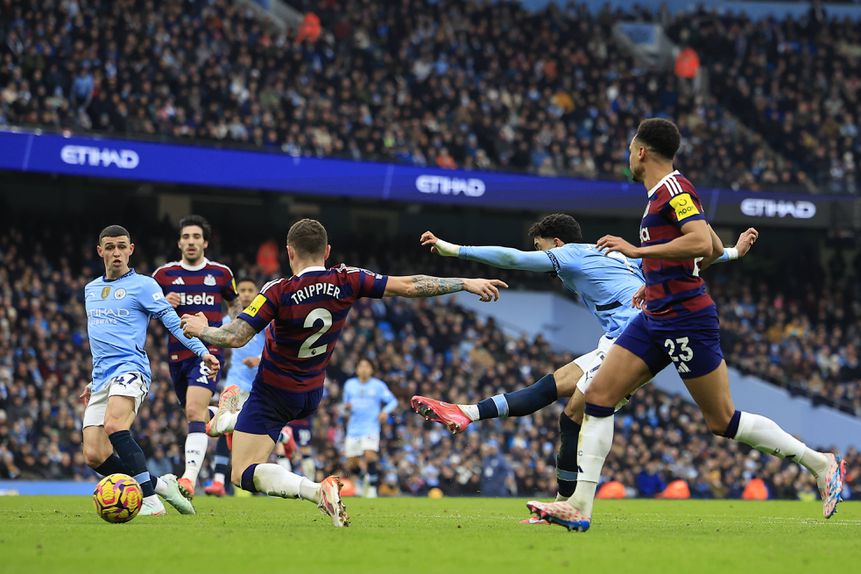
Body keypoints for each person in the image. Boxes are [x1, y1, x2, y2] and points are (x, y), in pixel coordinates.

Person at [527, 118, 846, 531]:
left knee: (722, 420)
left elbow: (697, 241)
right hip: (655, 313)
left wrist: (637, 251)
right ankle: (579, 507)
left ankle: (820, 464)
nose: (628, 156)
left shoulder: (674, 190)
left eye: (630, 149)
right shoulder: (660, 195)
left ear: (642, 152)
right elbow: (710, 249)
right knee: (599, 396)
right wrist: (657, 280)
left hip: (685, 318)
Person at [411, 215, 756, 510]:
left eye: (541, 246)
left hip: (635, 338)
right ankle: (468, 414)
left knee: (575, 412)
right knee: (555, 387)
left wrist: (454, 249)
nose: (540, 254)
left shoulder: (571, 254)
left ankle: (566, 503)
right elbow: (683, 262)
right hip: (620, 336)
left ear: (557, 243)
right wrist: (733, 253)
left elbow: (514, 259)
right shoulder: (612, 254)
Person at [180, 218, 508, 527]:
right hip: (311, 393)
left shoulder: (278, 290)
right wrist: (464, 282)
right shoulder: (346, 278)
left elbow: (236, 336)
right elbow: (410, 285)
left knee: (241, 472)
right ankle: (229, 419)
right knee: (237, 432)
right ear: (327, 251)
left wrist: (201, 329)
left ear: (289, 252)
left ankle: (312, 488)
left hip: (273, 392)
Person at [80, 225, 220, 516]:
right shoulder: (90, 289)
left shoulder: (144, 285)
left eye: (122, 246)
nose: (116, 253)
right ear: (100, 251)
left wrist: (202, 352)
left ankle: (150, 500)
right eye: (110, 247)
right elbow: (101, 339)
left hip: (131, 369)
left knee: (115, 425)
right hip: (102, 376)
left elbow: (173, 322)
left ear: (131, 250)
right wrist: (93, 381)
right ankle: (161, 486)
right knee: (94, 455)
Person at [152, 215, 238, 499]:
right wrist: (162, 304)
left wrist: (229, 333)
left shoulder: (221, 274)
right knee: (197, 417)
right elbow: (145, 312)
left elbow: (235, 306)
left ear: (205, 242)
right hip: (177, 356)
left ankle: (188, 479)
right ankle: (223, 418)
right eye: (186, 237)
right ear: (179, 242)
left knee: (192, 411)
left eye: (196, 237)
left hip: (208, 352)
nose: (191, 241)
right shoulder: (163, 276)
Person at [204, 277, 266, 497]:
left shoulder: (265, 320)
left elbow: (277, 346)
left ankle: (284, 440)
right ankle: (218, 481)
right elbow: (212, 338)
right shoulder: (229, 320)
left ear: (257, 294)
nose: (246, 294)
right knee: (223, 424)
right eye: (242, 291)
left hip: (260, 385)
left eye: (251, 290)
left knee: (255, 432)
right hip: (235, 382)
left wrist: (259, 359)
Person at [342, 358, 398, 498]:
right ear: (356, 369)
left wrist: (385, 412)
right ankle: (364, 478)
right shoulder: (349, 385)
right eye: (361, 366)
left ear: (372, 369)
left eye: (367, 366)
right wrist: (347, 407)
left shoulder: (378, 386)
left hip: (371, 427)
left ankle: (372, 489)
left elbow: (393, 401)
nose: (364, 369)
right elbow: (345, 404)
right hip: (353, 428)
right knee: (351, 464)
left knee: (369, 454)